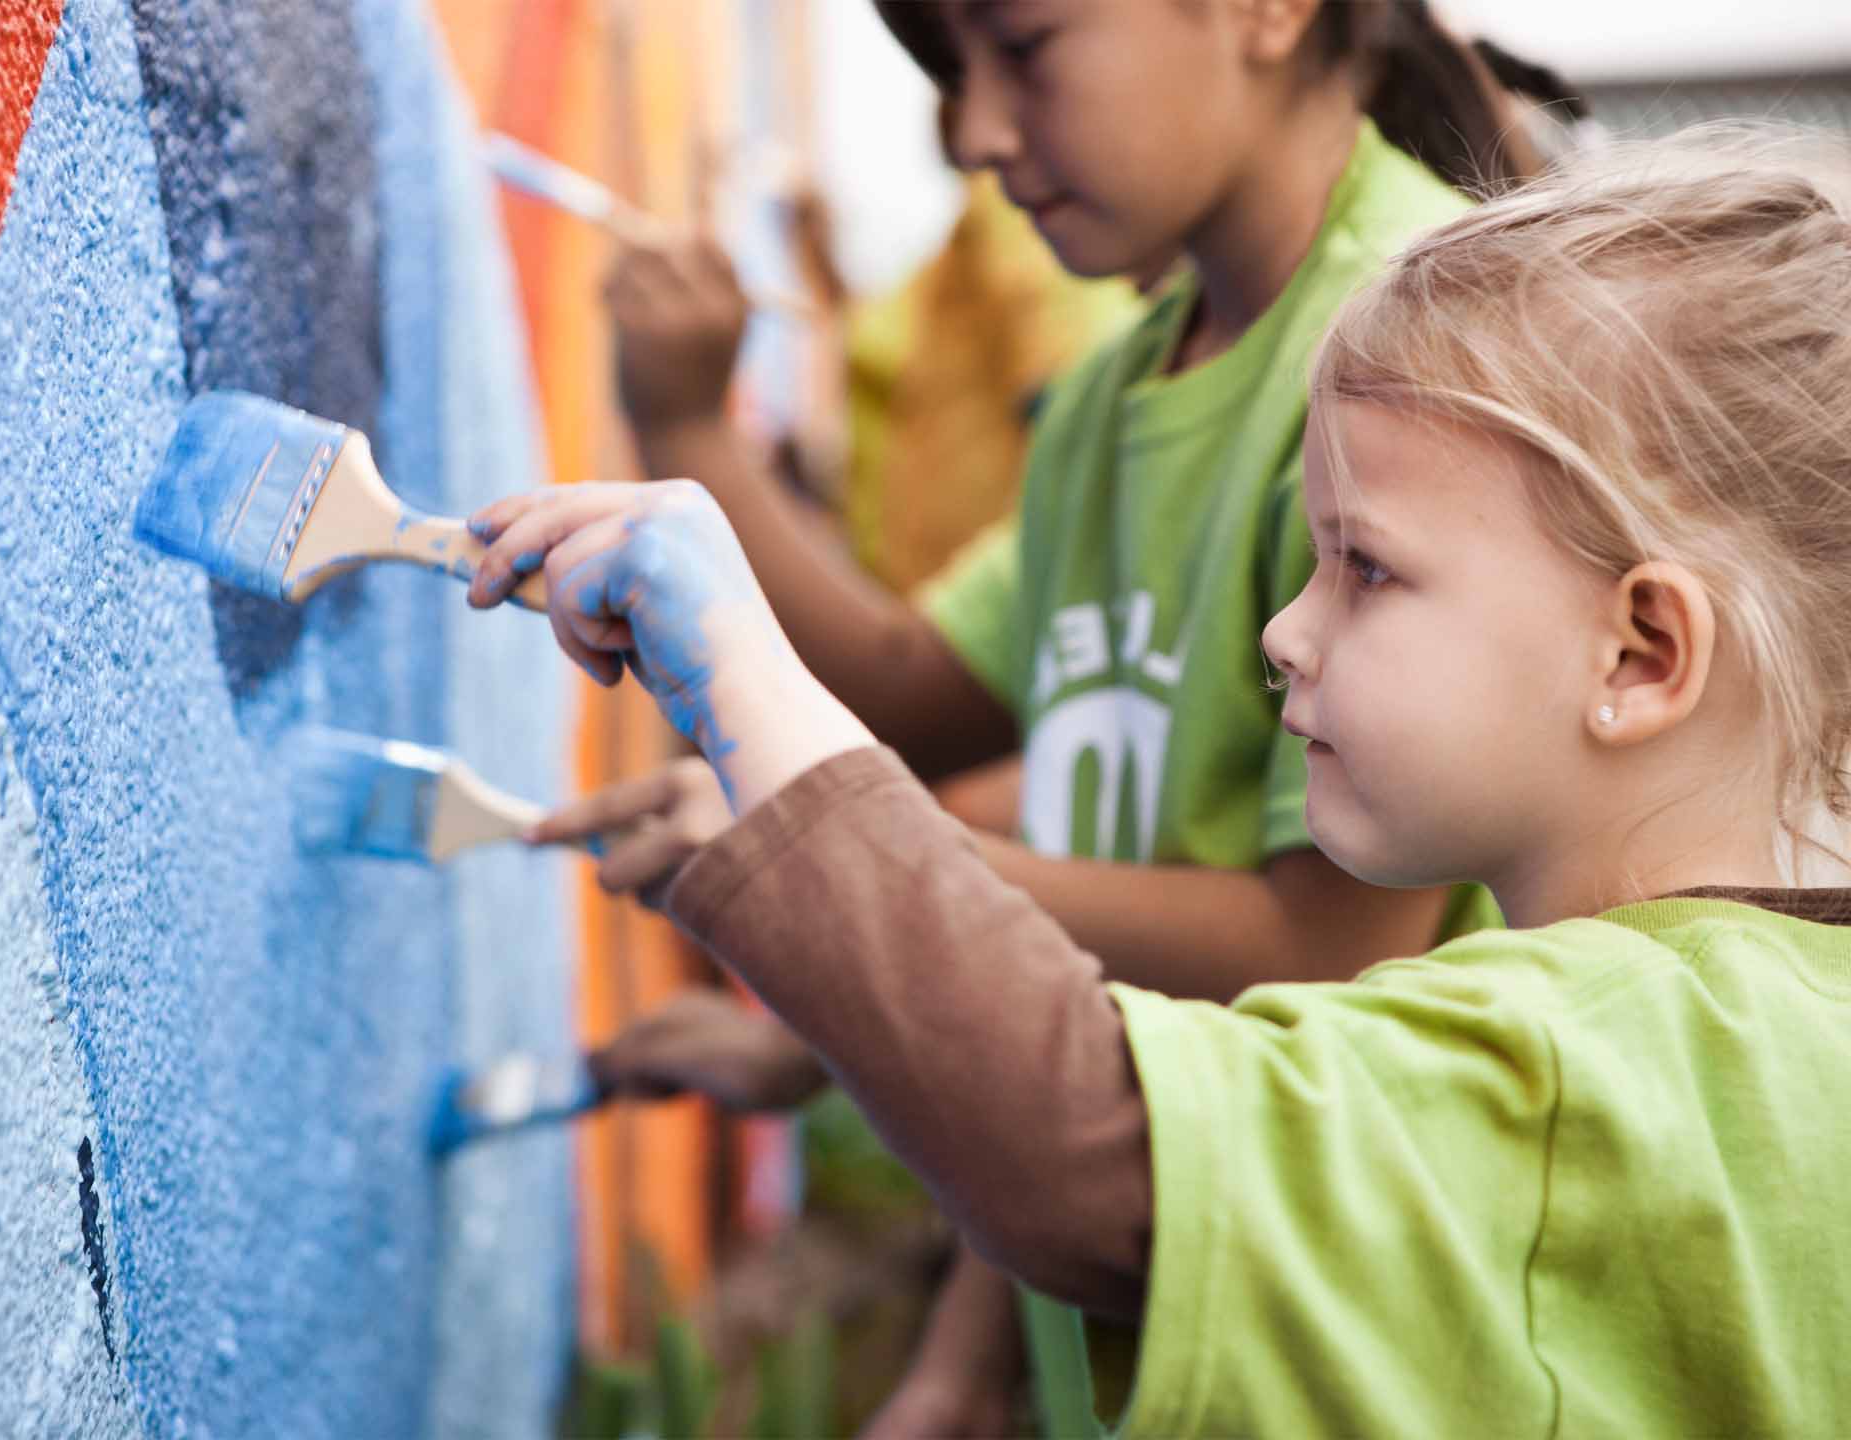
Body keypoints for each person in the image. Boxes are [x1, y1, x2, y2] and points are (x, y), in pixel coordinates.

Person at [474, 121, 1851, 1435]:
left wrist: (734, 666)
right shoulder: (1777, 1042)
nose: (1284, 630)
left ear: (1644, 651)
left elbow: (1081, 1152)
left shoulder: (1585, 1061)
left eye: (1365, 568)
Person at [560, 0, 1574, 1429]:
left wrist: (846, 855)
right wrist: (967, 1369)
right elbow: (915, 689)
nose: (971, 132)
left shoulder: (1406, 359)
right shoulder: (1109, 393)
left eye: (1024, 49)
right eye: (947, 69)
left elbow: (1322, 949)